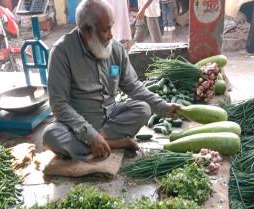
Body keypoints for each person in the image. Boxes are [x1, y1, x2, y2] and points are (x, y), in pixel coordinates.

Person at [43, 0, 180, 160]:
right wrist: (90, 135)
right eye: (105, 30)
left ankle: (102, 142)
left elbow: (134, 86)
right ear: (87, 32)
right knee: (50, 135)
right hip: (77, 125)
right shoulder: (61, 52)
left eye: (111, 27)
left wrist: (163, 107)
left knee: (143, 109)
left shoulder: (116, 49)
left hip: (111, 119)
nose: (111, 35)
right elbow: (59, 104)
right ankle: (114, 143)